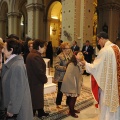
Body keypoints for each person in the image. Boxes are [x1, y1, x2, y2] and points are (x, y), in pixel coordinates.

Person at [81, 31, 120, 120]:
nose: (98, 43)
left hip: (107, 84)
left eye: (98, 41)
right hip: (115, 82)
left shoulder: (105, 50)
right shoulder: (116, 47)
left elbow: (95, 67)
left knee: (106, 104)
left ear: (102, 39)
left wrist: (85, 63)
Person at [1, 38, 33, 120]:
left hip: (18, 110)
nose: (2, 51)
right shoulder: (13, 63)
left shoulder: (17, 66)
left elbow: (17, 91)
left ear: (11, 50)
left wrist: (12, 109)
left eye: (4, 48)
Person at [26, 39, 49, 118]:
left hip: (34, 81)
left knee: (37, 98)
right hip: (35, 82)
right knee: (35, 99)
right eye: (44, 47)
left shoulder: (32, 54)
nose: (45, 49)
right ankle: (31, 115)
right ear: (39, 47)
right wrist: (45, 79)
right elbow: (39, 71)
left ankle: (40, 112)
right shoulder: (35, 56)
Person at [61, 51, 84, 118]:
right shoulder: (71, 64)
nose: (81, 55)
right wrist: (73, 85)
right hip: (71, 83)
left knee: (73, 98)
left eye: (82, 54)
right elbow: (68, 75)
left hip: (75, 82)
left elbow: (80, 72)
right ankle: (71, 112)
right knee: (72, 98)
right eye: (79, 54)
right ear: (75, 55)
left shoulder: (77, 63)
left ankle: (72, 109)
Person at [54, 42, 73, 109]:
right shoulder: (59, 56)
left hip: (68, 76)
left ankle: (68, 102)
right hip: (61, 76)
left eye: (69, 48)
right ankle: (58, 103)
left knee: (68, 90)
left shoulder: (70, 56)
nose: (69, 50)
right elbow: (56, 66)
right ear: (63, 49)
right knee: (60, 91)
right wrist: (64, 68)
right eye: (67, 48)